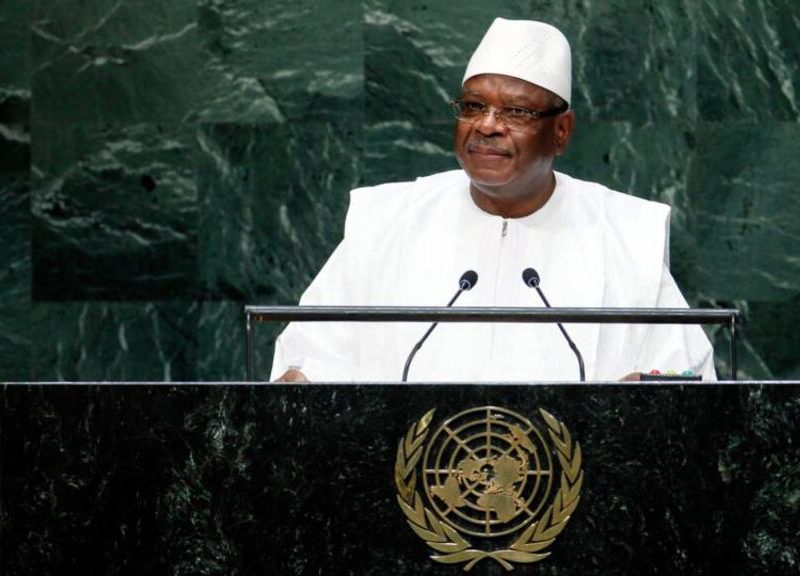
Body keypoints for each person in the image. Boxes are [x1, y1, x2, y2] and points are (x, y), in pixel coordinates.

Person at [270, 18, 716, 382]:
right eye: (472, 107)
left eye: (516, 112)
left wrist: (651, 394)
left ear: (562, 131)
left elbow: (687, 378)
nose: (486, 125)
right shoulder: (387, 222)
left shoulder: (623, 235)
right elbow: (308, 357)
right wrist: (304, 382)